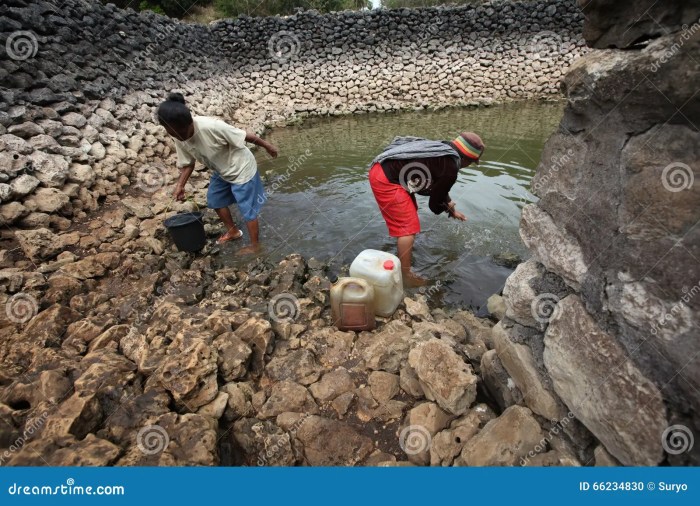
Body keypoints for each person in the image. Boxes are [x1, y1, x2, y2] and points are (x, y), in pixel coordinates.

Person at [157, 93, 278, 254]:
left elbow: (245, 136)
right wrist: (180, 185)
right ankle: (233, 232)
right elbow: (188, 164)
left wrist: (268, 146)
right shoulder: (178, 137)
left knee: (247, 209)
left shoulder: (211, 127)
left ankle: (255, 246)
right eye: (172, 133)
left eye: (180, 132)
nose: (178, 137)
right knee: (215, 200)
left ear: (189, 123)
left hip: (241, 168)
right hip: (221, 169)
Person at [368, 132, 485, 287]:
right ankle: (406, 275)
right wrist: (446, 208)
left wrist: (451, 210)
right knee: (407, 228)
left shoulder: (442, 149)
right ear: (466, 159)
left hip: (383, 169)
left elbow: (439, 187)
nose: (468, 166)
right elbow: (434, 205)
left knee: (409, 215)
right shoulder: (451, 166)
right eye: (471, 162)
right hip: (386, 179)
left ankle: (403, 253)